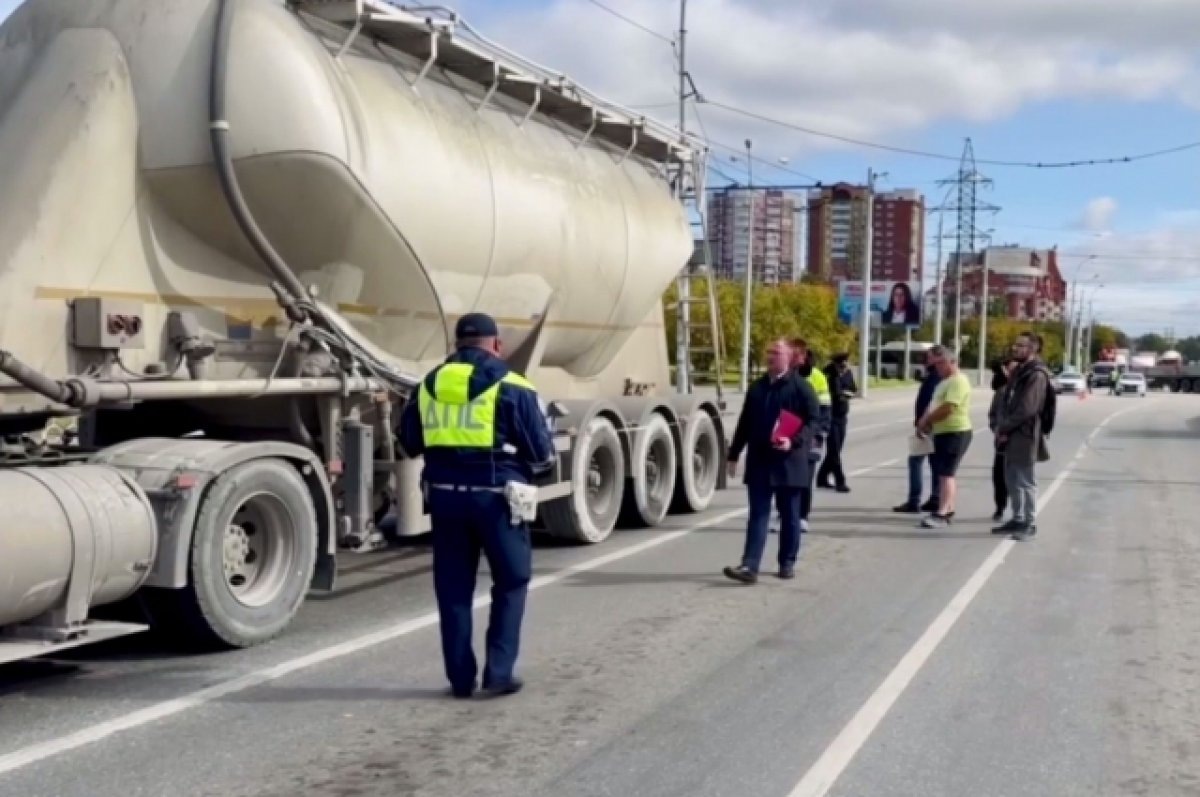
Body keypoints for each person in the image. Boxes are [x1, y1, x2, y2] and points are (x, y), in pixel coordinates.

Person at [398, 312, 555, 699]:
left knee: (453, 589)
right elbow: (541, 454)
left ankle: (460, 679)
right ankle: (499, 672)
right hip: (498, 500)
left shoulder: (427, 385)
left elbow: (409, 443)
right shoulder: (513, 385)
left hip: (445, 498)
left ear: (457, 344)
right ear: (496, 344)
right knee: (512, 580)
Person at [724, 338, 820, 583]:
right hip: (760, 460)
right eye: (769, 352)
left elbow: (814, 421)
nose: (770, 356)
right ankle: (749, 566)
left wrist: (794, 441)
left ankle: (787, 562)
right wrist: (734, 454)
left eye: (776, 353)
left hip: (789, 461)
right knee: (758, 514)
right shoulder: (757, 387)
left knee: (789, 515)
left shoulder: (801, 388)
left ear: (789, 357)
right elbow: (745, 423)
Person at [993, 332, 1052, 541]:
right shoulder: (1019, 371)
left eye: (1020, 346)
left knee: (1026, 480)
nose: (1015, 349)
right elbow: (1005, 400)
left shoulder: (1037, 374)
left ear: (1032, 349)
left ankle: (1029, 522)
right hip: (1010, 433)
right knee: (1011, 479)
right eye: (1015, 344)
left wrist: (1006, 427)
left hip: (1025, 434)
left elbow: (1028, 408)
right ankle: (1017, 518)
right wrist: (1001, 427)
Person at [915, 345, 972, 529]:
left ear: (953, 362)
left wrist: (928, 420)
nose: (937, 367)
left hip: (955, 431)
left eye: (941, 363)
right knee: (944, 473)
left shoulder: (958, 381)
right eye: (936, 364)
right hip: (942, 431)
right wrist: (923, 421)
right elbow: (932, 404)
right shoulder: (943, 382)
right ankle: (947, 508)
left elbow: (949, 407)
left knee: (947, 473)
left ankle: (942, 514)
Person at [893, 352, 942, 514]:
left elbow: (929, 401)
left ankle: (915, 501)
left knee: (916, 461)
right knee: (935, 463)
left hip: (928, 426)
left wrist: (922, 423)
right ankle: (935, 498)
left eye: (928, 358)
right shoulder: (937, 376)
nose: (924, 362)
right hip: (935, 425)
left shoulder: (935, 377)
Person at [817, 353, 855, 492]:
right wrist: (843, 394)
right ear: (835, 364)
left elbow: (852, 389)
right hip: (829, 416)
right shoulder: (827, 374)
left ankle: (821, 477)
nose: (843, 367)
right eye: (841, 365)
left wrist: (845, 394)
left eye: (845, 364)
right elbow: (834, 394)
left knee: (836, 449)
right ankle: (840, 481)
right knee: (834, 451)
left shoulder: (848, 373)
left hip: (842, 416)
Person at [988, 356, 1016, 523]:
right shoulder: (1001, 391)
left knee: (1017, 478)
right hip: (1001, 442)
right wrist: (997, 429)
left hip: (1019, 442)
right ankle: (1000, 507)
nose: (1011, 373)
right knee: (999, 476)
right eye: (1009, 370)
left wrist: (1010, 431)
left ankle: (1019, 512)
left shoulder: (1025, 391)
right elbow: (992, 414)